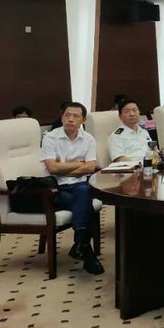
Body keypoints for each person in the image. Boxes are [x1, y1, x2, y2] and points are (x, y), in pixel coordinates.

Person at [40, 102, 104, 275]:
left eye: (76, 116)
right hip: (56, 189)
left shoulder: (88, 139)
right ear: (61, 117)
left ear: (83, 120)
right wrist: (78, 164)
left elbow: (90, 167)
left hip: (79, 186)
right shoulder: (50, 138)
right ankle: (85, 247)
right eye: (67, 115)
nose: (70, 119)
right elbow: (52, 168)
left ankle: (81, 245)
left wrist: (64, 167)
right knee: (85, 202)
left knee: (82, 192)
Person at [107, 98, 152, 162]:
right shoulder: (116, 136)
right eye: (127, 111)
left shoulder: (144, 132)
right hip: (132, 167)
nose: (132, 114)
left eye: (135, 110)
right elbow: (119, 159)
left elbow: (153, 152)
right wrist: (139, 164)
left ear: (139, 112)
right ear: (120, 116)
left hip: (150, 165)